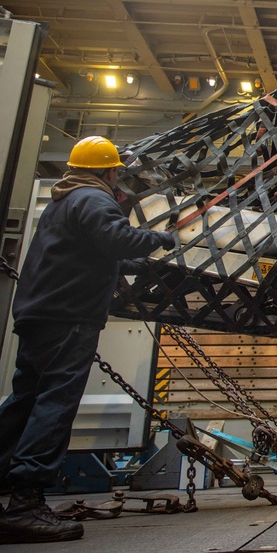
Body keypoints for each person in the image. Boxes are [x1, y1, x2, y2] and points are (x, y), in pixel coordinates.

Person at [0, 136, 175, 544]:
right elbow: (117, 239)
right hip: (69, 318)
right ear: (108, 171)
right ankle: (26, 502)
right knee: (54, 405)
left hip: (41, 315)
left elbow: (99, 252)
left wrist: (140, 266)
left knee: (24, 401)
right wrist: (162, 240)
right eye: (117, 171)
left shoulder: (64, 202)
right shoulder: (94, 200)